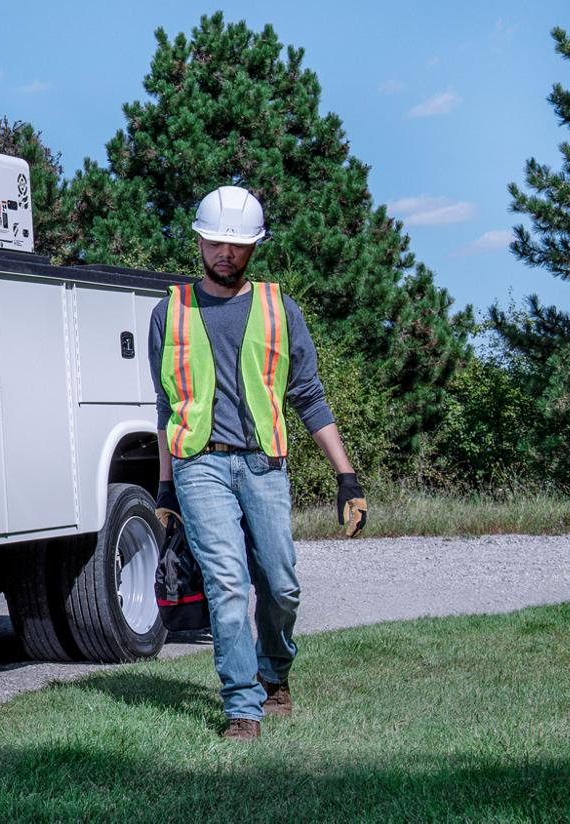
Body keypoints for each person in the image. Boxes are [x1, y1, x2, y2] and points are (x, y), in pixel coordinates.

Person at [147, 185, 369, 742]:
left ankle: (275, 673)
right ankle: (242, 706)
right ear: (199, 240)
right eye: (217, 242)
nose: (226, 253)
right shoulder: (168, 312)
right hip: (200, 464)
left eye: (238, 245)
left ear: (254, 248)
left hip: (264, 464)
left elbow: (309, 396)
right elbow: (166, 408)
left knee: (281, 583)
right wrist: (165, 491)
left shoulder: (278, 308)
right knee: (227, 583)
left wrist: (347, 476)